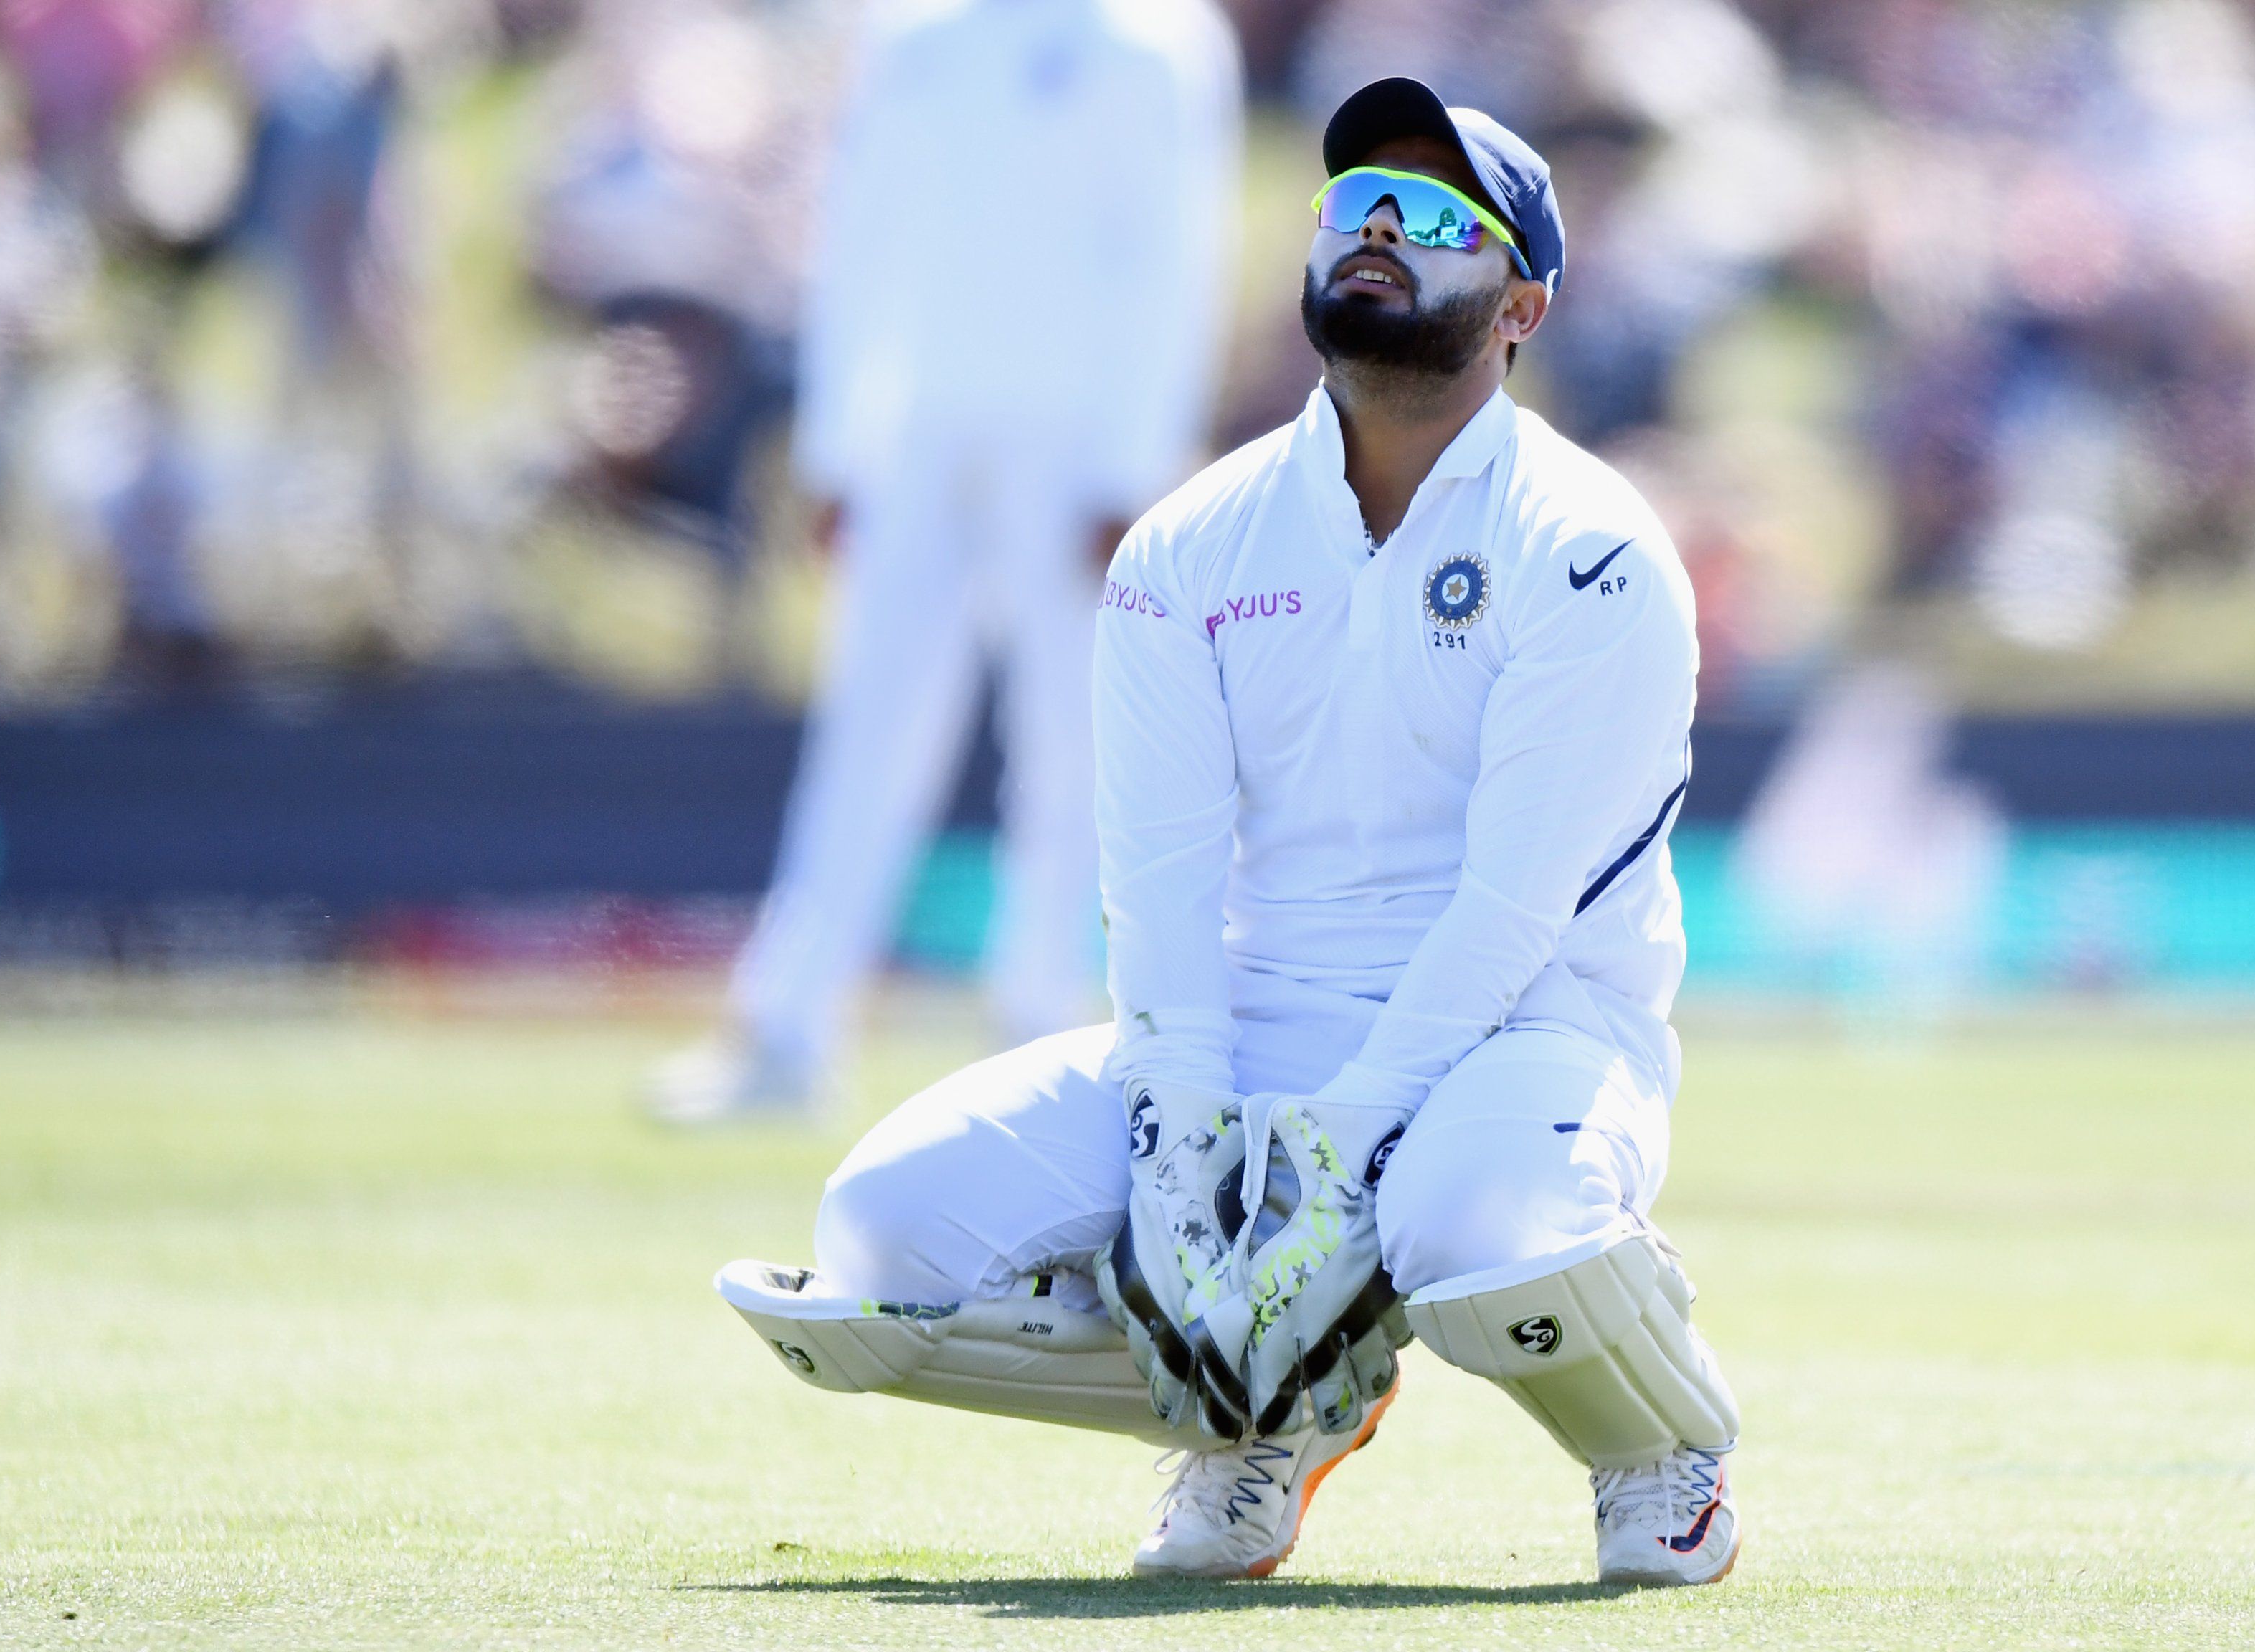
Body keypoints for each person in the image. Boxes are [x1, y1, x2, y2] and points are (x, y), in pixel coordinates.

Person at [715, 77, 1738, 1587]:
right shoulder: (1187, 545)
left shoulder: (1589, 550)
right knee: (882, 1243)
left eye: (1436, 217)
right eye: (1351, 208)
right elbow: (1162, 886)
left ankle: (1662, 1453)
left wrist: (1343, 1136)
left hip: (1528, 1027)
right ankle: (1267, 1412)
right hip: (1260, 1014)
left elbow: (1519, 902)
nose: (1378, 231)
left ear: (1520, 304)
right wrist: (1182, 1120)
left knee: (1477, 1214)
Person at [650, 0, 1240, 1119]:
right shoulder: (914, 34)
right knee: (868, 727)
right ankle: (786, 1030)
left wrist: (1131, 465)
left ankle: (1041, 1034)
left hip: (1073, 445)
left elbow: (1171, 251)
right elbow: (864, 233)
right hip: (920, 433)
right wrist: (836, 443)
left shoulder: (1153, 40)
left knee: (1073, 743)